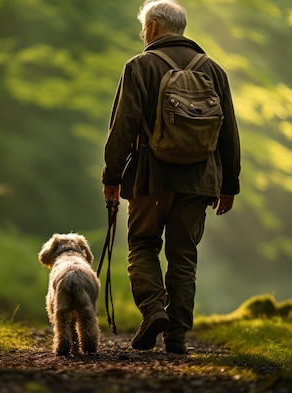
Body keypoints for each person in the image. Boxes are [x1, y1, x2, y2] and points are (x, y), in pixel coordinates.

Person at [101, 0, 240, 354]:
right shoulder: (214, 70)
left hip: (151, 178)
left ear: (153, 28)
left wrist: (112, 177)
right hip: (199, 180)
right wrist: (229, 184)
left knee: (143, 245)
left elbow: (122, 127)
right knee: (183, 256)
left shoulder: (139, 66)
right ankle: (176, 336)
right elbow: (229, 134)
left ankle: (153, 310)